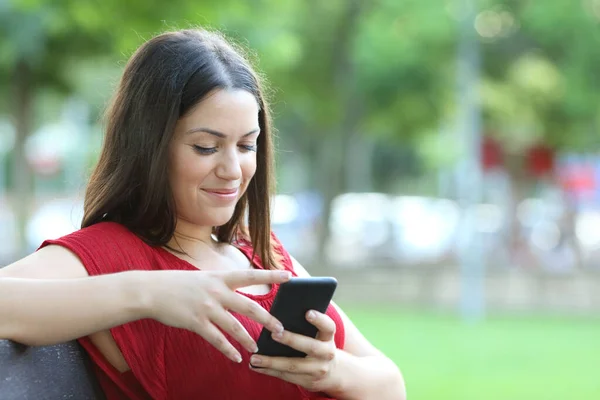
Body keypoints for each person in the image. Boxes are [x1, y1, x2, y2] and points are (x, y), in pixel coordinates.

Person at [0, 29, 405, 399]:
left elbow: (391, 385)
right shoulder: (109, 252)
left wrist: (331, 370)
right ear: (149, 147)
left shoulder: (258, 251)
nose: (233, 169)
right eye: (206, 147)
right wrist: (150, 293)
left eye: (246, 146)